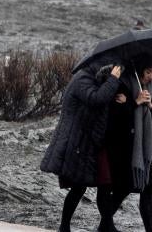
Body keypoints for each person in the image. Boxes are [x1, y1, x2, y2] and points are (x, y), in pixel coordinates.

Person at [40, 62, 123, 232]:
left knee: (105, 184)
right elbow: (96, 99)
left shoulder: (94, 79)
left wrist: (118, 98)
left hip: (90, 140)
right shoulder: (82, 80)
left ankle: (107, 225)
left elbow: (101, 101)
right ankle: (64, 226)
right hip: (76, 141)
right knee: (79, 187)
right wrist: (113, 80)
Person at [98, 57, 152, 232]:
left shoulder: (149, 90)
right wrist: (134, 102)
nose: (151, 77)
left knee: (147, 191)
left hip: (144, 152)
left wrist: (150, 104)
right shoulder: (122, 85)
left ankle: (150, 230)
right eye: (148, 72)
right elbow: (114, 118)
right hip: (123, 150)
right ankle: (104, 225)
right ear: (139, 70)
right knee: (122, 189)